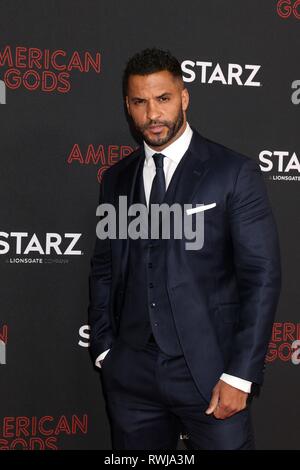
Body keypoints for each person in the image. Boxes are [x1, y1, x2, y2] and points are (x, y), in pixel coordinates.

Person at [88, 48, 281, 450]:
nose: (152, 114)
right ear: (128, 105)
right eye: (140, 102)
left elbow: (261, 277)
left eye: (163, 99)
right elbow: (105, 268)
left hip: (211, 373)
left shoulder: (232, 172)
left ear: (184, 97)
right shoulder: (116, 179)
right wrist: (106, 350)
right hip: (131, 376)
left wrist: (239, 375)